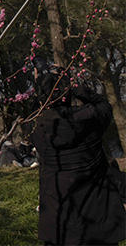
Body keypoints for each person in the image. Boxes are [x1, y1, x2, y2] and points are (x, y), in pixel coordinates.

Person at [30, 64, 126, 245]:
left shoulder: (37, 128)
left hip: (59, 223)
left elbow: (34, 110)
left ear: (42, 100)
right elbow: (104, 105)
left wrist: (40, 84)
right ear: (68, 95)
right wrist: (78, 89)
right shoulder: (90, 118)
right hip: (98, 220)